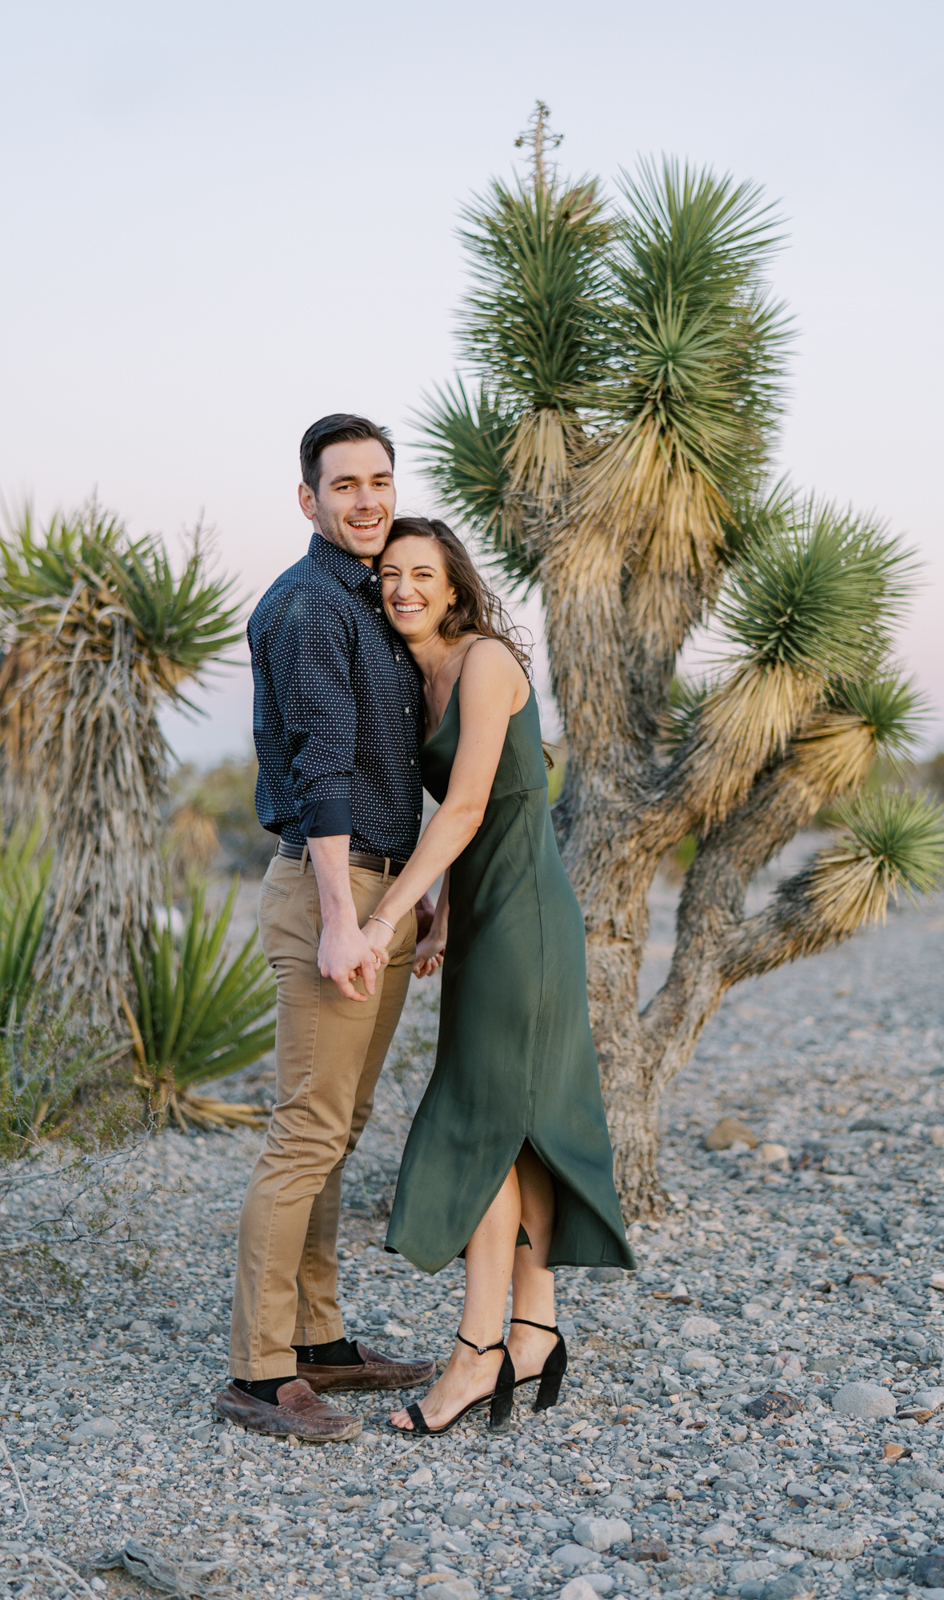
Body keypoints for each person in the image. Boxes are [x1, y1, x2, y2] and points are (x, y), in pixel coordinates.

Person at [356, 516, 634, 1438]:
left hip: (528, 922)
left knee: (479, 1120)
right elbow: (469, 820)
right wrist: (439, 912)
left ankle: (476, 1355)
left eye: (421, 573)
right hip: (484, 915)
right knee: (511, 1131)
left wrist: (388, 913)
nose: (403, 587)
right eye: (390, 573)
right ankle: (532, 1332)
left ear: (455, 583)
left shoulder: (482, 664)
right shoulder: (419, 676)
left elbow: (473, 803)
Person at [215, 416, 443, 1444]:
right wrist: (347, 918)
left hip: (374, 886)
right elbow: (321, 768)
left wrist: (413, 888)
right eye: (344, 483)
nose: (365, 499)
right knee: (307, 1131)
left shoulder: (367, 599)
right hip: (331, 892)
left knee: (336, 1128)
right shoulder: (311, 605)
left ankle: (317, 1339)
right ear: (307, 498)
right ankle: (261, 1375)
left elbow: (391, 764)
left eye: (380, 481)